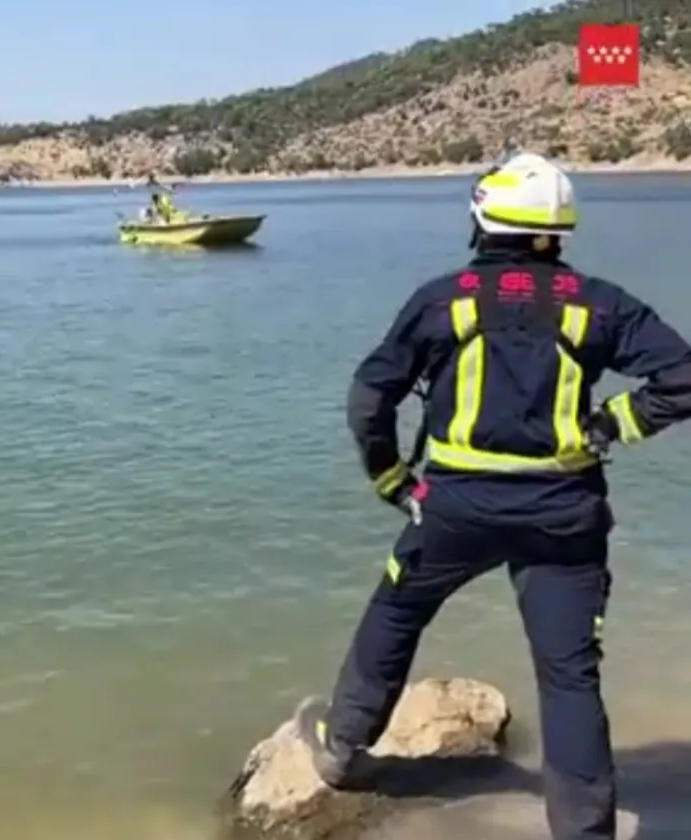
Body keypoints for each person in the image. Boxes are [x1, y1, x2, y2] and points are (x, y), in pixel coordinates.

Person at [293, 152, 691, 840]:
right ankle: (584, 830)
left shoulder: (441, 300)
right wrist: (611, 425)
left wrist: (392, 480)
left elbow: (369, 399)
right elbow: (681, 379)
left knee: (397, 612)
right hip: (564, 518)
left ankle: (342, 748)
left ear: (482, 221)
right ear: (558, 230)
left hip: (453, 512)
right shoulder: (599, 303)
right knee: (569, 677)